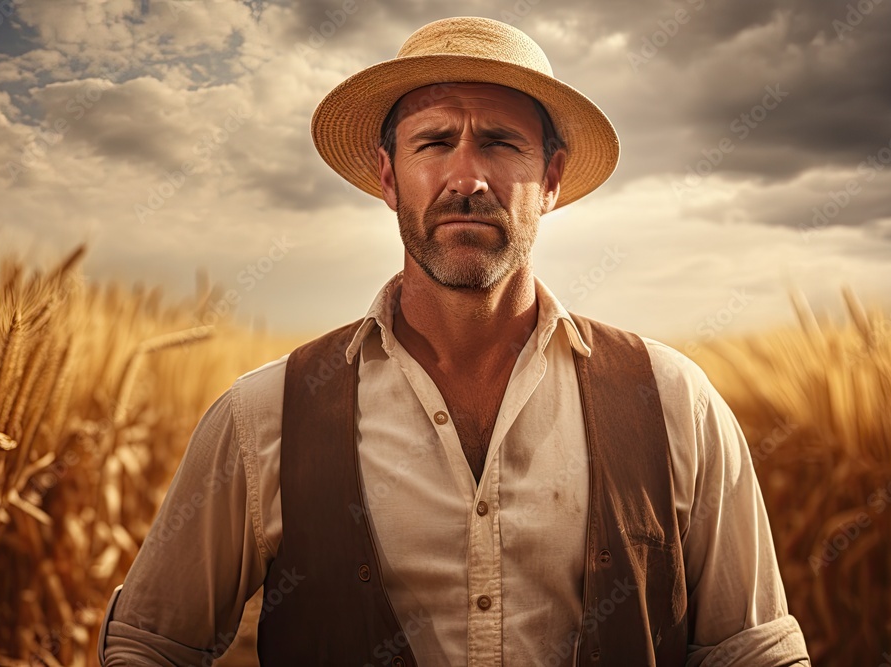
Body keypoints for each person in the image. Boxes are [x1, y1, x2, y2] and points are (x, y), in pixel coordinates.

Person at [99, 16, 810, 667]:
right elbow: (148, 645)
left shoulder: (675, 403)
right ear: (389, 176)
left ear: (551, 178)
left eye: (500, 143)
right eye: (435, 142)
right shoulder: (264, 416)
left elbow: (755, 652)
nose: (466, 177)